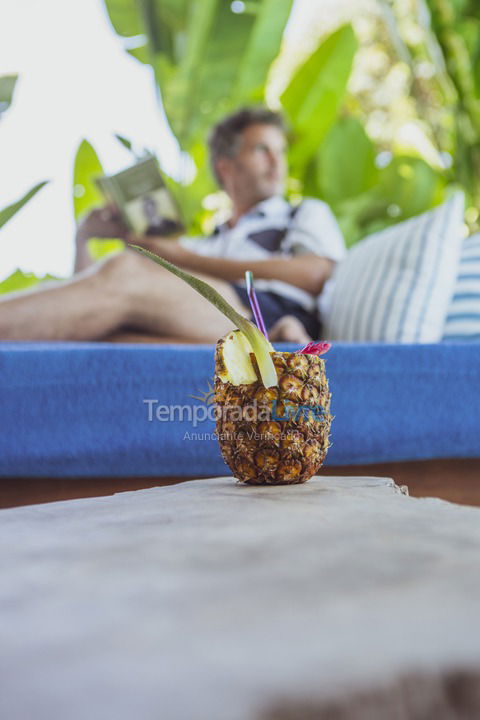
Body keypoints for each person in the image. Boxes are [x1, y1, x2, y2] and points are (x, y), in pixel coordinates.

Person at [0, 107, 346, 343]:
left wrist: (181, 258)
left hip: (259, 314)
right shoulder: (203, 243)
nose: (277, 162)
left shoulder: (302, 214)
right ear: (226, 167)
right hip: (205, 324)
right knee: (98, 327)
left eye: (280, 151)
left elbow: (317, 274)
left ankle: (272, 337)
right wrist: (83, 241)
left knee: (126, 271)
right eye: (262, 150)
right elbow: (94, 299)